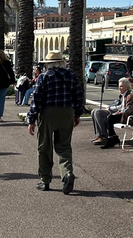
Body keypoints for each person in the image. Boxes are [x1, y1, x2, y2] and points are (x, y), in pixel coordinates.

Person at [26, 51, 84, 194]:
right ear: (61, 62)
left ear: (48, 64)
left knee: (44, 147)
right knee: (64, 146)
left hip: (48, 113)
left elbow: (37, 99)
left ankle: (45, 180)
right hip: (67, 112)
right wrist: (76, 114)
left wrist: (31, 119)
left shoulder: (44, 77)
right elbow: (78, 96)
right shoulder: (71, 76)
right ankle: (67, 173)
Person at [90, 77, 133, 149]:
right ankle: (113, 138)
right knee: (109, 118)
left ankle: (111, 139)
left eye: (121, 86)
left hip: (132, 118)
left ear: (127, 87)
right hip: (125, 116)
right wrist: (116, 112)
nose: (119, 88)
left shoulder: (130, 95)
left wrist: (117, 114)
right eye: (119, 86)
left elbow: (128, 110)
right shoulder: (124, 95)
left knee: (110, 118)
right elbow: (122, 108)